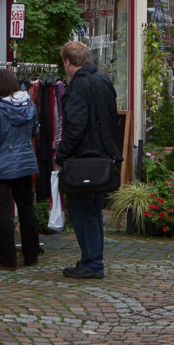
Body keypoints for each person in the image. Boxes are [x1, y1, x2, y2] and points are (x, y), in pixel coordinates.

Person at [56, 41, 122, 279]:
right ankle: (93, 259)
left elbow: (75, 126)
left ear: (67, 62)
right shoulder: (103, 81)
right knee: (93, 211)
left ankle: (92, 262)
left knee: (82, 212)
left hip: (83, 159)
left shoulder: (79, 86)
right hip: (102, 157)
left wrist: (61, 156)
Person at [0, 68, 41, 271]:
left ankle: (8, 260)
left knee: (4, 213)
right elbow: (35, 131)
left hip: (2, 167)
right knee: (26, 210)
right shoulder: (28, 105)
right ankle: (31, 255)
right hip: (24, 164)